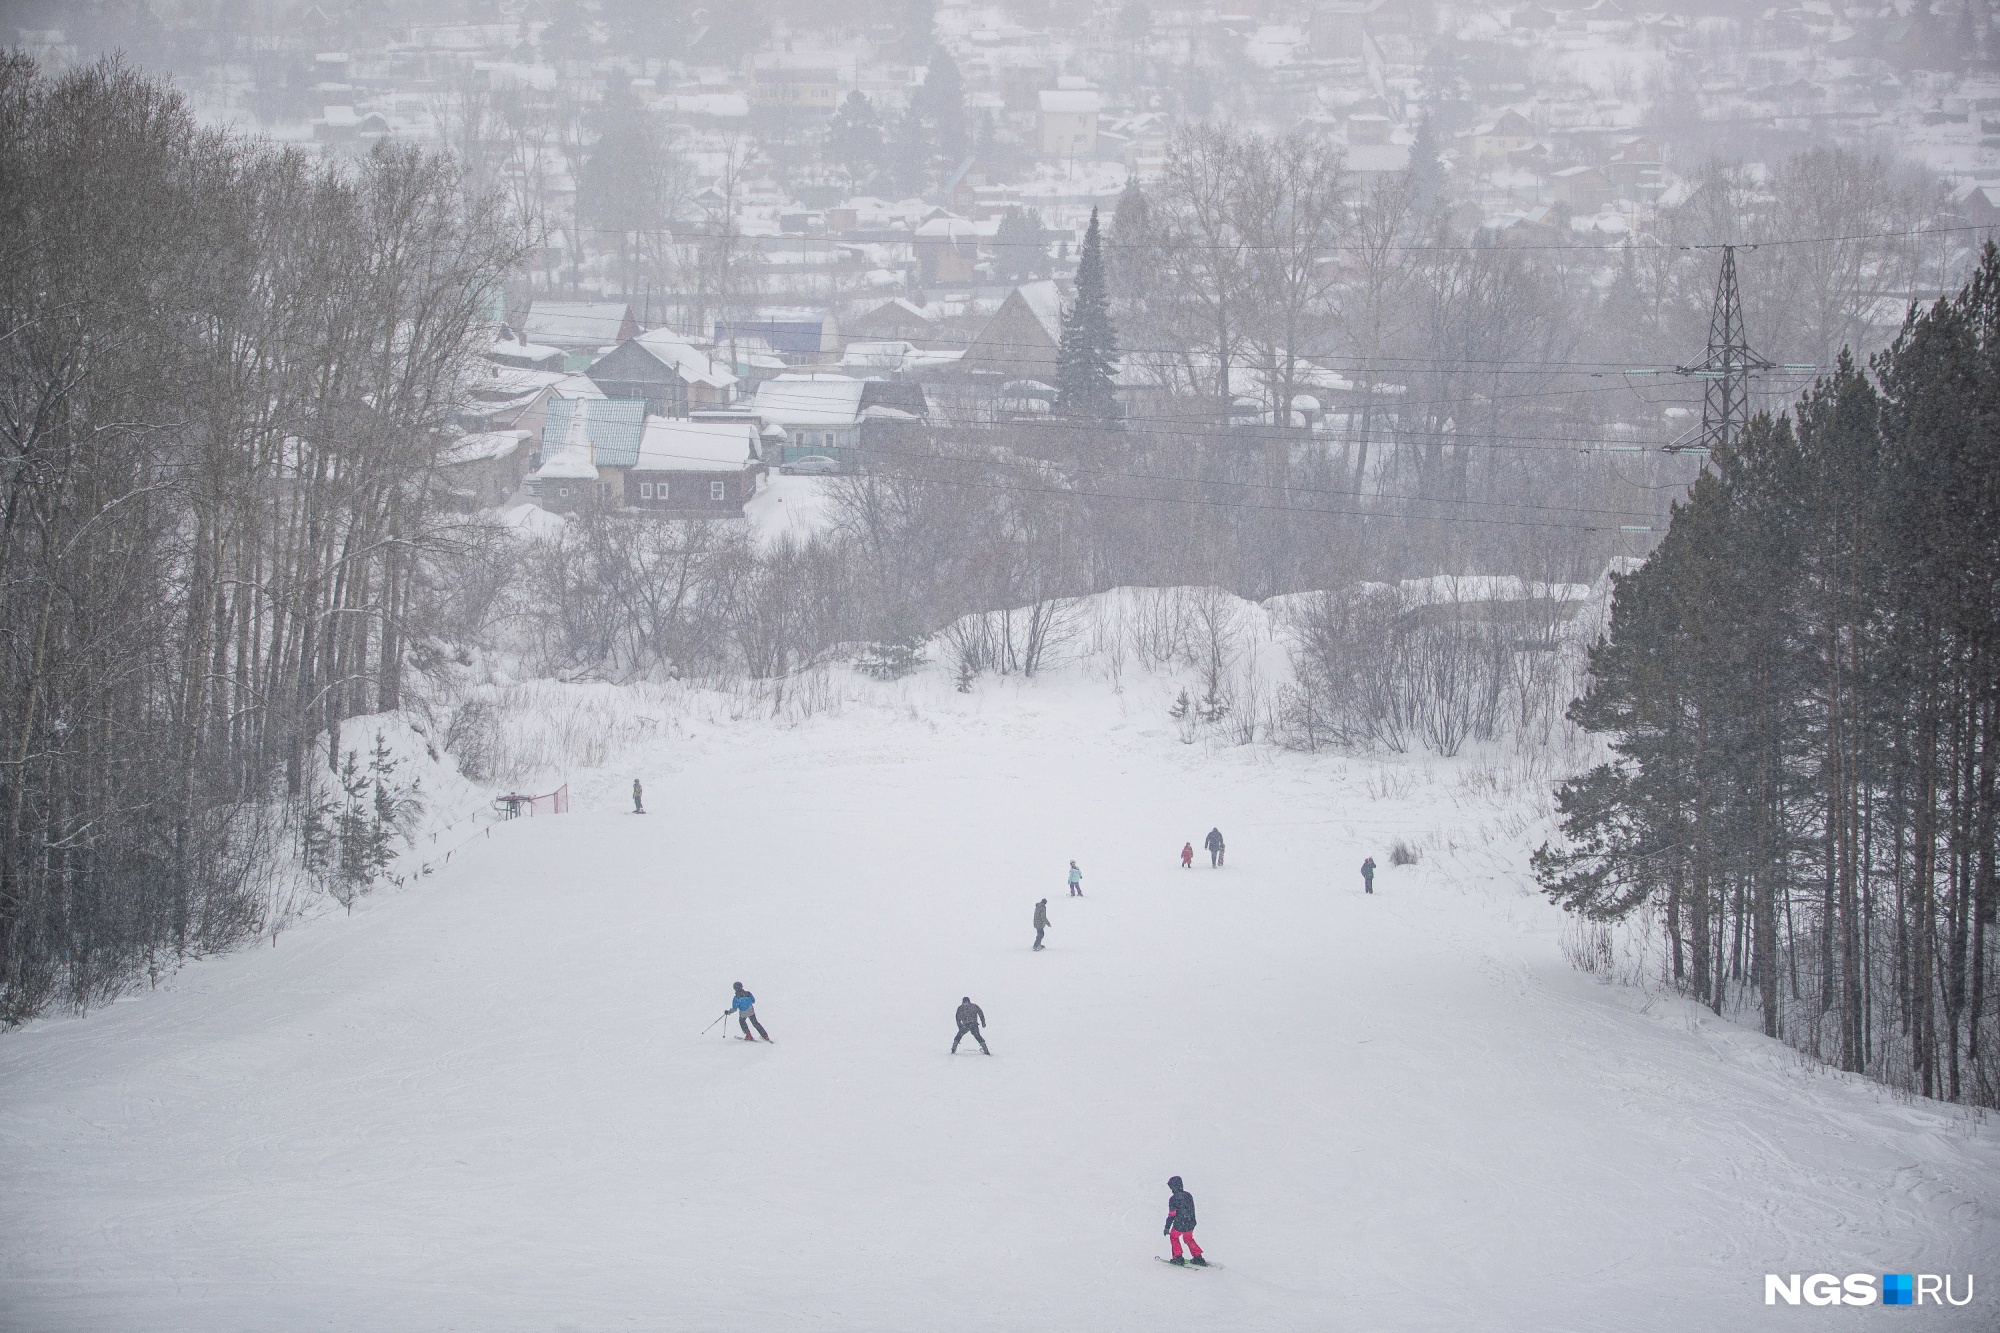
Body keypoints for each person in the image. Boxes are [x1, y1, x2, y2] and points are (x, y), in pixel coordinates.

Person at [1163, 1176, 1206, 1265]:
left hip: (1180, 1225)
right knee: (1188, 1238)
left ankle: (1178, 1257)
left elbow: (1172, 1214)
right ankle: (1198, 1257)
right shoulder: (1188, 1195)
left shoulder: (1173, 1199)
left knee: (1174, 1237)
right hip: (1190, 1223)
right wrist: (1191, 1221)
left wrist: (1167, 1227)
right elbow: (1192, 1209)